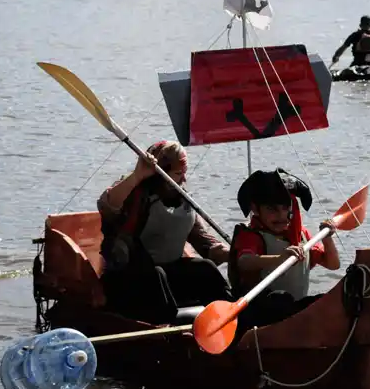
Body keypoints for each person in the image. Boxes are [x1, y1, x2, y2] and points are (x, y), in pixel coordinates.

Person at [97, 140, 232, 324]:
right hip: (128, 280)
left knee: (205, 268)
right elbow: (107, 205)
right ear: (160, 174)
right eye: (178, 174)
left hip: (165, 275)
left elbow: (204, 243)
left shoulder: (183, 201)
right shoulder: (135, 194)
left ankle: (231, 319)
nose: (184, 179)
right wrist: (137, 175)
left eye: (184, 173)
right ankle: (168, 329)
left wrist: (231, 253)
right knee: (156, 274)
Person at [229, 168, 340, 330]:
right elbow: (244, 261)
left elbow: (333, 264)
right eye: (272, 209)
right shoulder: (252, 235)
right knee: (281, 299)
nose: (281, 216)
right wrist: (280, 258)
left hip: (292, 311)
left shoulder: (301, 235)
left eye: (285, 208)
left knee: (330, 302)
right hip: (260, 314)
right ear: (255, 209)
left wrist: (327, 238)